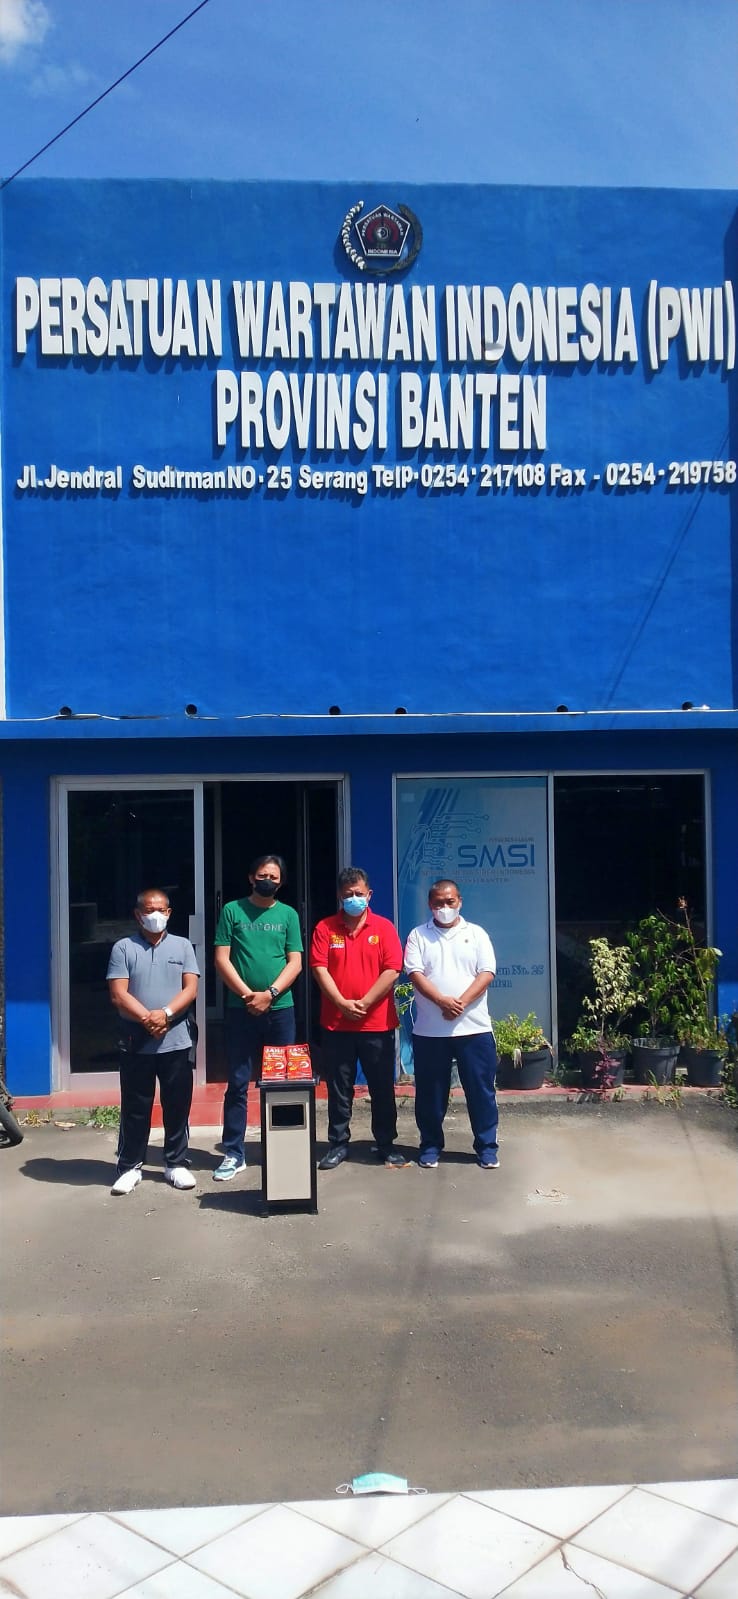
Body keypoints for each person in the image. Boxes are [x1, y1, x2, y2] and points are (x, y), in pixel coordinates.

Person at [213, 854, 303, 1180]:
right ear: (251, 878)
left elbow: (295, 961)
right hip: (241, 1011)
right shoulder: (232, 910)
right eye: (263, 875)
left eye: (274, 877)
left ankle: (279, 1149)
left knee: (280, 1084)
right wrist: (248, 995)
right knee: (238, 1082)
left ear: (281, 882)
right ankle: (233, 1152)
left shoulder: (288, 914)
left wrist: (270, 994)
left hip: (280, 1011)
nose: (268, 881)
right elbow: (222, 959)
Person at [310, 866, 406, 1169]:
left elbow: (392, 969)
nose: (354, 898)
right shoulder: (325, 928)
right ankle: (338, 1144)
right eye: (348, 894)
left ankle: (386, 1143)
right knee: (340, 1088)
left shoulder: (384, 928)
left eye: (359, 894)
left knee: (382, 1087)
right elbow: (319, 968)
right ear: (340, 896)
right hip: (336, 1023)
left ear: (369, 894)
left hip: (377, 1023)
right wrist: (341, 1003)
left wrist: (364, 1003)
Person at [107, 888, 200, 1196]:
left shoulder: (182, 946)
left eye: (161, 910)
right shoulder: (123, 948)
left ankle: (176, 1163)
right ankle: (130, 1166)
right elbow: (118, 993)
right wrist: (148, 1018)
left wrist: (165, 1014)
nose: (155, 915)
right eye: (149, 910)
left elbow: (191, 989)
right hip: (136, 1041)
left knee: (177, 1104)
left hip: (176, 1040)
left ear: (169, 913)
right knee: (136, 1106)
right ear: (138, 915)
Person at [403, 878, 499, 1169]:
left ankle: (487, 1147)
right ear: (429, 905)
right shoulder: (418, 935)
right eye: (438, 903)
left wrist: (461, 1003)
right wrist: (442, 1001)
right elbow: (415, 973)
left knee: (481, 1091)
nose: (444, 907)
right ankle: (430, 1146)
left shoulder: (477, 934)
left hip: (474, 1029)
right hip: (431, 1032)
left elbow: (487, 972)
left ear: (460, 901)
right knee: (430, 1094)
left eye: (450, 901)